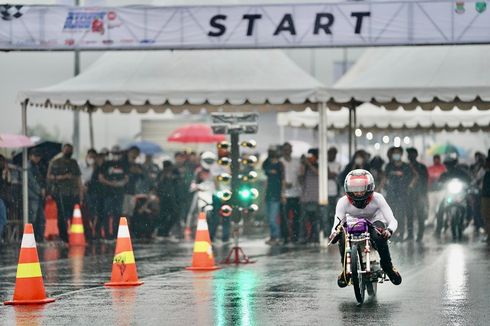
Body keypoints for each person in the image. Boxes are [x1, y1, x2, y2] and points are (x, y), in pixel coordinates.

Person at [329, 169, 402, 287]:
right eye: (354, 189)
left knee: (379, 237)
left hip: (374, 222)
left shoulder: (378, 198)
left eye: (361, 189)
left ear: (369, 187)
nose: (358, 193)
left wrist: (389, 230)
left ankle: (388, 267)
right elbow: (337, 224)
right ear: (348, 188)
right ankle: (345, 270)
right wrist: (334, 233)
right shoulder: (342, 202)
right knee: (342, 236)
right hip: (353, 223)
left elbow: (392, 220)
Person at [47, 144, 82, 243]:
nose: (68, 152)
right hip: (60, 193)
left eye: (70, 150)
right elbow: (49, 177)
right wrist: (62, 177)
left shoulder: (73, 162)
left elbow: (78, 178)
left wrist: (80, 192)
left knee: (73, 215)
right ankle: (63, 236)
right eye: (67, 150)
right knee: (62, 215)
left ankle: (73, 235)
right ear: (63, 150)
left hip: (73, 193)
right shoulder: (55, 162)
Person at [434, 154, 471, 238]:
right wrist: (438, 185)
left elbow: (469, 179)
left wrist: (469, 185)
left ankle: (469, 219)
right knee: (441, 208)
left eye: (450, 163)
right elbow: (439, 182)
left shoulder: (461, 172)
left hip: (460, 195)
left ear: (454, 164)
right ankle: (439, 228)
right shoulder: (444, 174)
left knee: (469, 204)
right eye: (447, 164)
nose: (449, 166)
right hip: (449, 195)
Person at [98, 146, 128, 239]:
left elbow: (127, 178)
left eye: (118, 154)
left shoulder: (123, 164)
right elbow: (101, 178)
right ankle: (107, 234)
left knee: (117, 214)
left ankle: (115, 233)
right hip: (108, 193)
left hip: (119, 193)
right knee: (107, 213)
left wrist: (119, 184)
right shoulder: (106, 164)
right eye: (114, 154)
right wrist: (111, 184)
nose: (116, 156)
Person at [384, 147, 414, 241]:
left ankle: (401, 234)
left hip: (402, 194)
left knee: (401, 214)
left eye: (398, 153)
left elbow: (412, 177)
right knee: (391, 214)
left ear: (401, 154)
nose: (396, 155)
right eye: (394, 153)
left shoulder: (406, 166)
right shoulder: (389, 166)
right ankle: (392, 234)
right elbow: (384, 178)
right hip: (391, 193)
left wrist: (410, 186)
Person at [280, 142, 301, 244]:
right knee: (285, 218)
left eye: (289, 149)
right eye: (285, 149)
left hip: (296, 194)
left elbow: (300, 176)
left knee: (296, 218)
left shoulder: (296, 162)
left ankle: (295, 236)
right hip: (285, 195)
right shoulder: (280, 162)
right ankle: (285, 237)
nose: (287, 151)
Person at [262, 147, 284, 245]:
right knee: (269, 218)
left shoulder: (279, 165)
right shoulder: (267, 164)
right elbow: (265, 171)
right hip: (269, 194)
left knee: (272, 218)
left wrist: (283, 193)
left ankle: (276, 236)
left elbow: (283, 180)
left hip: (276, 194)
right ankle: (273, 236)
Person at [406, 148, 429, 241]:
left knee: (420, 215)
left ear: (415, 155)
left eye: (411, 154)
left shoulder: (421, 167)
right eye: (408, 154)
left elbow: (425, 181)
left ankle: (420, 235)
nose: (409, 156)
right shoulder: (406, 167)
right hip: (409, 194)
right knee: (409, 215)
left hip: (419, 194)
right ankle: (410, 234)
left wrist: (424, 194)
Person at [299, 148, 320, 244]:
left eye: (311, 157)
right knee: (304, 220)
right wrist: (303, 165)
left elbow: (317, 173)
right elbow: (300, 179)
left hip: (315, 197)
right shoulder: (305, 167)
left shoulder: (319, 165)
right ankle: (304, 237)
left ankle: (315, 236)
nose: (309, 159)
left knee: (315, 219)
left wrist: (308, 164)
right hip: (305, 197)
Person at [156, 161, 180, 239]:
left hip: (171, 198)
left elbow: (178, 181)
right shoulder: (161, 174)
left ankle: (165, 230)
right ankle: (161, 232)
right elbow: (158, 184)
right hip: (163, 198)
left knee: (175, 214)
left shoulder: (174, 173)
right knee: (163, 215)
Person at [28, 149, 46, 242]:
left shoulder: (36, 166)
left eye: (38, 157)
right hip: (32, 196)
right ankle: (32, 238)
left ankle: (39, 238)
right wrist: (40, 190)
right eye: (35, 156)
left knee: (40, 218)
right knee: (33, 218)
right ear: (31, 156)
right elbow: (31, 182)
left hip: (36, 196)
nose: (37, 158)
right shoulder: (29, 166)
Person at [80, 148, 97, 240]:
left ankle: (92, 232)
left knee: (93, 214)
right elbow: (79, 178)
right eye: (90, 156)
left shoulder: (95, 168)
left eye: (93, 157)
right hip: (82, 192)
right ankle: (86, 233)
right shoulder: (80, 165)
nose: (91, 159)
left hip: (92, 193)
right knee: (85, 213)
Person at [427, 154, 447, 225]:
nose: (436, 160)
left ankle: (442, 220)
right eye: (435, 159)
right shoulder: (430, 168)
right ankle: (431, 220)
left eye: (437, 158)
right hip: (431, 190)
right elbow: (428, 178)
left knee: (441, 206)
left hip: (441, 190)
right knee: (432, 206)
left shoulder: (443, 168)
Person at [326, 147, 341, 235]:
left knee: (334, 214)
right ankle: (327, 233)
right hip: (325, 193)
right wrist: (331, 174)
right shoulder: (324, 164)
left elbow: (335, 175)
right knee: (326, 215)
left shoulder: (337, 164)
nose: (332, 155)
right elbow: (331, 175)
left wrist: (330, 174)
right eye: (330, 153)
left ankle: (334, 231)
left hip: (334, 192)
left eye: (334, 154)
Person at [0, 154, 11, 243]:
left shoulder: (4, 172)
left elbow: (8, 183)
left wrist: (6, 174)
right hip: (1, 197)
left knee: (3, 219)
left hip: (3, 197)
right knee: (2, 219)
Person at [481, 156, 490, 243]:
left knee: (487, 216)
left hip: (486, 196)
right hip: (485, 195)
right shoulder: (485, 173)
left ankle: (488, 235)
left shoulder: (486, 173)